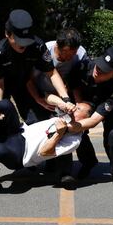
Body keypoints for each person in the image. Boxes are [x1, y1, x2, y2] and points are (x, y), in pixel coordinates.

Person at [0, 9, 74, 188]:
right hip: (1, 86)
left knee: (41, 120)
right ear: (7, 34)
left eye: (26, 41)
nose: (23, 46)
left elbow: (52, 73)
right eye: (19, 41)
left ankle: (57, 166)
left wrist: (65, 98)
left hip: (25, 85)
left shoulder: (37, 46)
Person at [0, 97, 95, 181]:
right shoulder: (64, 115)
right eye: (76, 105)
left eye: (79, 109)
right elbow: (49, 99)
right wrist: (64, 103)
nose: (75, 108)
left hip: (21, 153)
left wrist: (58, 134)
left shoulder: (74, 140)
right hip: (19, 131)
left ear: (86, 119)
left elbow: (45, 153)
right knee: (6, 104)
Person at [26, 28, 88, 182]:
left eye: (73, 53)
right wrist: (37, 98)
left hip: (64, 99)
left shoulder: (80, 54)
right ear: (58, 46)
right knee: (38, 128)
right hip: (40, 95)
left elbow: (78, 81)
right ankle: (35, 160)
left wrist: (77, 102)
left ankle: (65, 173)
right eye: (66, 52)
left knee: (65, 129)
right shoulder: (44, 51)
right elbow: (29, 79)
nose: (70, 56)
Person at [70, 47, 113, 189]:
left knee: (112, 136)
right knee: (78, 125)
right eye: (100, 65)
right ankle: (88, 161)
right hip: (87, 100)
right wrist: (78, 104)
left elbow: (94, 120)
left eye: (104, 71)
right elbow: (75, 85)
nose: (98, 70)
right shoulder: (84, 66)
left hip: (106, 104)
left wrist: (70, 127)